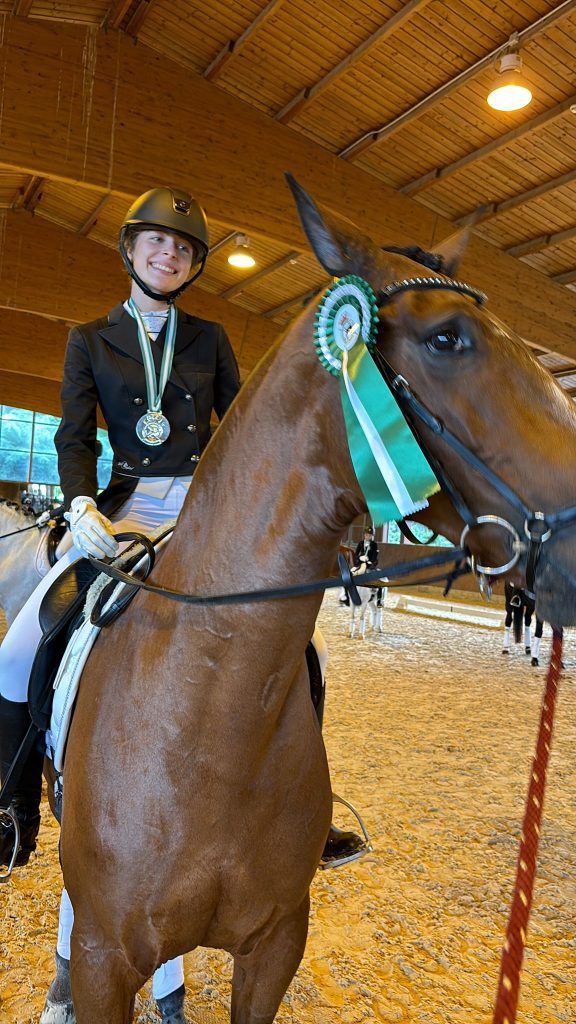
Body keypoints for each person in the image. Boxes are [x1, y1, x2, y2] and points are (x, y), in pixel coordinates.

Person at [0, 186, 364, 1018]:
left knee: (298, 649)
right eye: (156, 244)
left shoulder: (212, 339)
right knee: (25, 640)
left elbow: (241, 431)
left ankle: (312, 815)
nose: (169, 257)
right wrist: (85, 506)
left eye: (183, 249)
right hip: (121, 510)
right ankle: (14, 803)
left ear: (194, 264)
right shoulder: (88, 339)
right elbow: (71, 434)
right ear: (130, 251)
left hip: (206, 510)